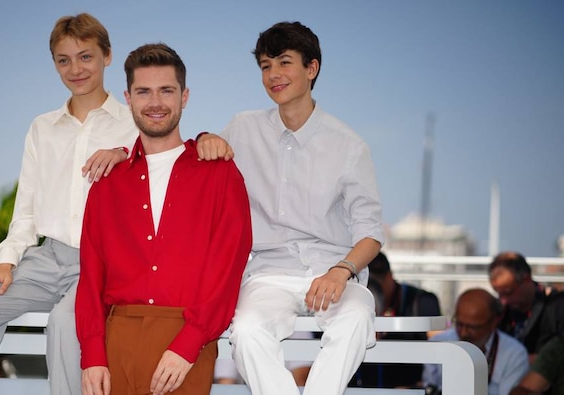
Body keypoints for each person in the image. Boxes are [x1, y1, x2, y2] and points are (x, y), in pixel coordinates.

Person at [0, 13, 141, 395]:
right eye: (63, 60)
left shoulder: (133, 124)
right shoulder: (41, 127)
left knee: (67, 324)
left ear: (107, 56)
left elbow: (160, 171)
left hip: (103, 262)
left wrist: (124, 154)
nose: (75, 69)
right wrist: (5, 260)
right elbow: (27, 208)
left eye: (85, 56)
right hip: (45, 260)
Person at [201, 20, 385, 395]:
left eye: (284, 62)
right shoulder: (243, 127)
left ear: (311, 68)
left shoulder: (348, 145)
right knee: (248, 331)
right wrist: (205, 139)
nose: (273, 75)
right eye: (265, 66)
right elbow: (198, 160)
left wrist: (340, 272)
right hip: (268, 274)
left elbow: (371, 233)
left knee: (355, 318)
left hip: (332, 272)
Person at [75, 43, 253, 395]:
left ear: (184, 96)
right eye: (144, 92)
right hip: (116, 340)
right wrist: (92, 353)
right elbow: (91, 272)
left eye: (166, 91)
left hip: (186, 339)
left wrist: (190, 342)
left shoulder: (219, 174)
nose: (155, 103)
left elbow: (229, 265)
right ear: (128, 97)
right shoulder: (107, 183)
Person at [351, 252, 442, 389]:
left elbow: (439, 353)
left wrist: (418, 387)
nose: (371, 292)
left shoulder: (422, 303)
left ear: (390, 277)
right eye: (365, 286)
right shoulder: (350, 305)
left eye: (375, 284)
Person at [423, 288, 528, 395]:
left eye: (472, 327)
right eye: (459, 324)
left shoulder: (514, 354)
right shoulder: (438, 344)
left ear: (494, 322)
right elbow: (429, 387)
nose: (464, 333)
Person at [489, 251, 564, 360]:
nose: (503, 300)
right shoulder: (499, 316)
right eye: (499, 293)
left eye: (509, 292)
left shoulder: (557, 307)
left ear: (526, 279)